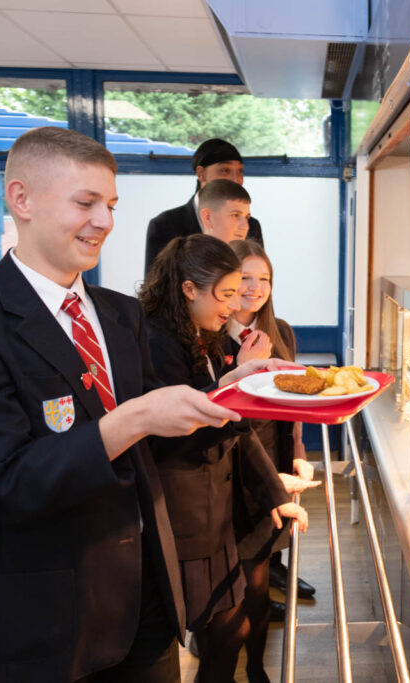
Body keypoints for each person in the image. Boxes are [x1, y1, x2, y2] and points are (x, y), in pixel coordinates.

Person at [0, 126, 243, 683]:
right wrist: (131, 419)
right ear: (21, 200)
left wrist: (241, 388)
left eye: (111, 205)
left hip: (145, 601)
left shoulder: (121, 314)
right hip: (47, 620)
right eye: (85, 203)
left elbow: (157, 437)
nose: (105, 223)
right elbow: (2, 485)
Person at [140, 234, 315, 683]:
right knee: (212, 630)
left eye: (255, 285)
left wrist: (277, 487)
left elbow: (241, 424)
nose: (236, 303)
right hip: (189, 511)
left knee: (231, 623)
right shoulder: (162, 341)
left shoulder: (208, 334)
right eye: (228, 293)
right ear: (188, 289)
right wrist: (239, 380)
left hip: (219, 505)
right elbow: (186, 427)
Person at [225, 239, 316, 683]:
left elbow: (293, 407)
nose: (254, 287)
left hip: (274, 473)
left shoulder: (281, 332)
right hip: (229, 477)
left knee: (259, 587)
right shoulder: (207, 337)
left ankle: (258, 667)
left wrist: (299, 455)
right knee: (228, 600)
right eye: (244, 277)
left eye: (264, 279)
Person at [144, 138, 263, 275]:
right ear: (201, 173)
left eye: (240, 171)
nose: (236, 179)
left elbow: (259, 279)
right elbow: (154, 287)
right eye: (225, 170)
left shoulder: (251, 226)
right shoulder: (165, 224)